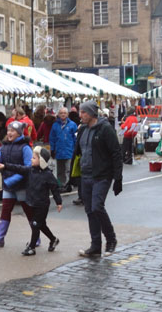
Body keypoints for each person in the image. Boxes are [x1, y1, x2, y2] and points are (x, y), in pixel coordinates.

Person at [74, 101, 122, 257]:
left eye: (83, 113)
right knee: (89, 211)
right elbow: (79, 152)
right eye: (80, 112)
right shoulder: (82, 130)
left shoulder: (105, 129)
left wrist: (118, 178)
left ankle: (111, 239)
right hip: (85, 175)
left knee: (97, 207)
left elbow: (116, 153)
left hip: (101, 175)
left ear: (92, 114)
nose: (80, 115)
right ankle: (95, 246)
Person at [0, 122, 38, 250]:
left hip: (22, 185)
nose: (9, 133)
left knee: (29, 212)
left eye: (12, 131)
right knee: (5, 210)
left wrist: (11, 178)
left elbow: (28, 168)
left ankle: (36, 237)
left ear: (19, 133)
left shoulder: (25, 148)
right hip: (8, 185)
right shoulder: (4, 147)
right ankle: (0, 237)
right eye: (8, 130)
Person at [23, 144, 63, 255]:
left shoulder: (48, 174)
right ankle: (53, 239)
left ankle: (31, 247)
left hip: (42, 204)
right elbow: (19, 168)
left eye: (34, 157)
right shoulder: (31, 170)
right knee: (41, 225)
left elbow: (55, 188)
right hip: (33, 203)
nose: (31, 159)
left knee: (35, 224)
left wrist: (58, 202)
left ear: (41, 160)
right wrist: (6, 166)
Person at [48, 107, 77, 193]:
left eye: (64, 113)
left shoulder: (72, 125)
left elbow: (75, 138)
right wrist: (52, 149)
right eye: (61, 113)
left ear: (67, 114)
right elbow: (52, 138)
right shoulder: (55, 125)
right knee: (60, 170)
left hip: (69, 150)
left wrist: (76, 149)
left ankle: (68, 184)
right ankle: (61, 185)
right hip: (59, 151)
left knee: (68, 169)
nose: (63, 114)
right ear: (58, 115)